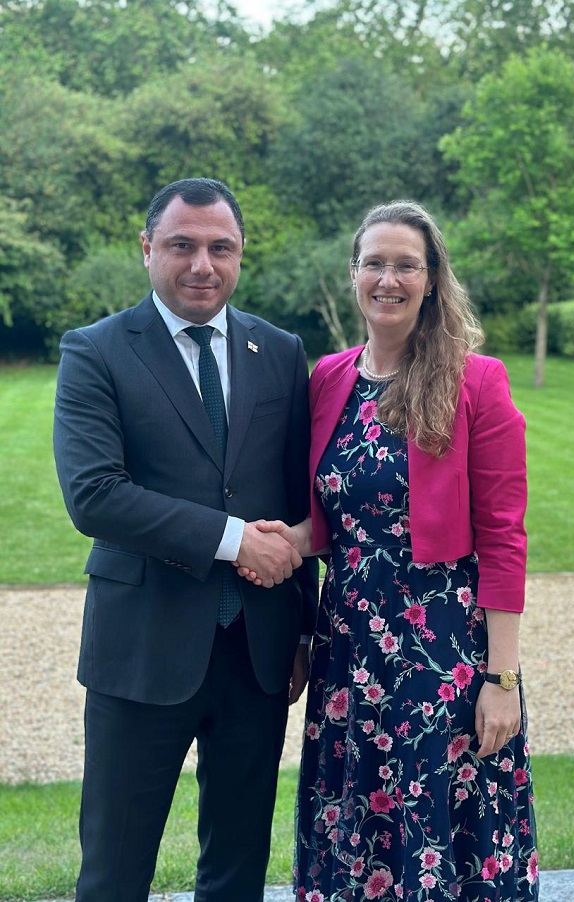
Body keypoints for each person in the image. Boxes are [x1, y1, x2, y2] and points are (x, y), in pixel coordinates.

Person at [243, 199, 539, 900]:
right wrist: (280, 545)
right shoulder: (329, 377)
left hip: (442, 654)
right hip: (349, 652)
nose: (388, 279)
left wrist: (502, 681)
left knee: (439, 832)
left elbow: (504, 538)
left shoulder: (476, 381)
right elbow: (335, 519)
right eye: (374, 263)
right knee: (358, 830)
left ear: (432, 279)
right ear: (353, 273)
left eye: (407, 265)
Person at [53, 177, 318, 902]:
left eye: (220, 248)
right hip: (142, 651)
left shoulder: (280, 351)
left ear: (240, 254)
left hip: (257, 657)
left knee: (236, 872)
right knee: (114, 872)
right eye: (182, 246)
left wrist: (302, 632)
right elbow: (95, 495)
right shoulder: (95, 351)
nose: (203, 264)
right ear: (147, 249)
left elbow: (297, 500)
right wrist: (234, 540)